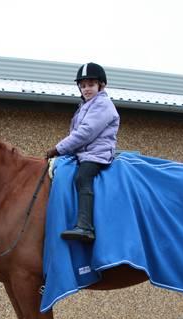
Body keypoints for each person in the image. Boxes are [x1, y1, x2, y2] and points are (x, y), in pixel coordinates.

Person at [46, 62, 120, 243]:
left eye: (91, 85)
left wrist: (58, 148)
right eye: (83, 85)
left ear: (101, 85)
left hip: (97, 154)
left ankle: (86, 226)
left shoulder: (103, 104)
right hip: (83, 153)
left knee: (82, 177)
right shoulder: (85, 106)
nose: (87, 89)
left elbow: (85, 133)